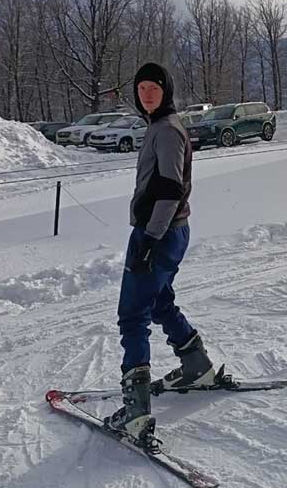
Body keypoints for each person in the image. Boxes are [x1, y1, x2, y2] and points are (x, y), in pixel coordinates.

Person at [105, 62, 216, 440]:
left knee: (133, 315)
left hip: (159, 233)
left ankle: (136, 411)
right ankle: (196, 365)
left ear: (166, 91)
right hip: (168, 232)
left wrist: (150, 239)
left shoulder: (167, 130)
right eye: (141, 89)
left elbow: (170, 189)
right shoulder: (159, 126)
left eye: (154, 88)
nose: (147, 94)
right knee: (159, 300)